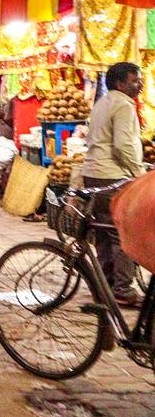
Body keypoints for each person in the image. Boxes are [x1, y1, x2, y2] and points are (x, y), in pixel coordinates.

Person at [82, 62, 146, 307]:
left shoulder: (103, 102)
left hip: (94, 175)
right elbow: (123, 146)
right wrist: (138, 172)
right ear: (120, 83)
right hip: (113, 176)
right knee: (121, 234)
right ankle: (122, 289)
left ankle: (104, 286)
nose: (139, 85)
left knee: (103, 234)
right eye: (134, 80)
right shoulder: (123, 105)